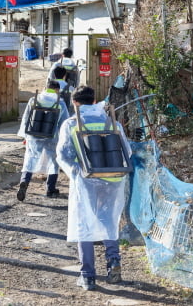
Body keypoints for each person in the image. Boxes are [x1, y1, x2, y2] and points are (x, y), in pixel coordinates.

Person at [56, 86, 132, 291]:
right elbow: (127, 150)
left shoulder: (71, 124)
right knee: (109, 220)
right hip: (113, 180)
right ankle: (113, 262)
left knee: (84, 224)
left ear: (74, 103)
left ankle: (88, 276)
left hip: (86, 182)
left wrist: (76, 172)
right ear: (95, 100)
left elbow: (63, 155)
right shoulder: (111, 121)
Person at [16, 80, 69, 201]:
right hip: (52, 137)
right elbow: (64, 123)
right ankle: (50, 189)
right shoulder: (60, 102)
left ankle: (24, 181)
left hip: (34, 135)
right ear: (57, 90)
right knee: (53, 162)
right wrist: (64, 139)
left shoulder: (34, 99)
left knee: (30, 159)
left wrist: (25, 136)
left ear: (45, 87)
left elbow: (26, 119)